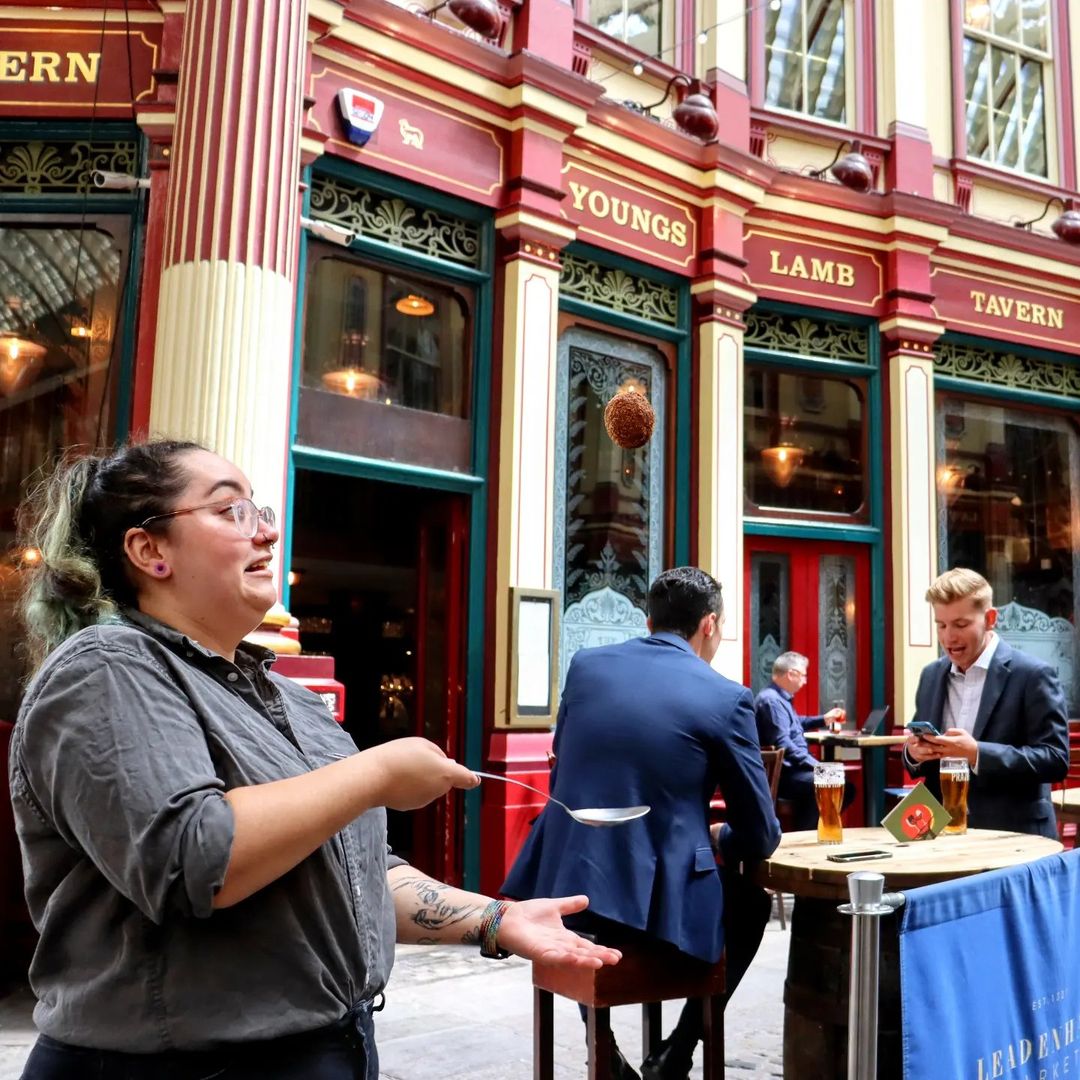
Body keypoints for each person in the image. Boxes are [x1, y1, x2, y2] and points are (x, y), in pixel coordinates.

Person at [8, 441, 619, 1080]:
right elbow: (193, 859)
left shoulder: (290, 699)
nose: (267, 529)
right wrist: (376, 773)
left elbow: (356, 870)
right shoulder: (107, 667)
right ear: (150, 550)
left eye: (260, 509)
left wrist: (497, 918)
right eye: (230, 510)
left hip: (329, 1048)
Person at [502, 567, 781, 1080]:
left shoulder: (585, 666)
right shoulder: (727, 697)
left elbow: (562, 760)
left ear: (649, 620)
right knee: (750, 904)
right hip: (661, 912)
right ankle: (678, 1052)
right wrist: (719, 835)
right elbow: (761, 837)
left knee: (596, 890)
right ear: (711, 625)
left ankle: (601, 1044)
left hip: (562, 894)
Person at [903, 567, 1068, 839]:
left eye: (960, 624)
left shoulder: (1033, 675)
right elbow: (917, 758)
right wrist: (914, 754)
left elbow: (1055, 759)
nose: (948, 637)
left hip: (1015, 838)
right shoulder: (931, 675)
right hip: (940, 836)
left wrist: (977, 753)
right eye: (941, 625)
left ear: (990, 618)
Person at [754, 652, 854, 830]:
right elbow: (783, 743)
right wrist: (816, 765)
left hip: (795, 771)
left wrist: (824, 719)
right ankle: (807, 831)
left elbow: (796, 723)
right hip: (785, 775)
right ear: (791, 674)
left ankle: (816, 827)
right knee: (837, 781)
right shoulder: (771, 701)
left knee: (844, 784)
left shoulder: (778, 699)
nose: (805, 680)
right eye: (803, 675)